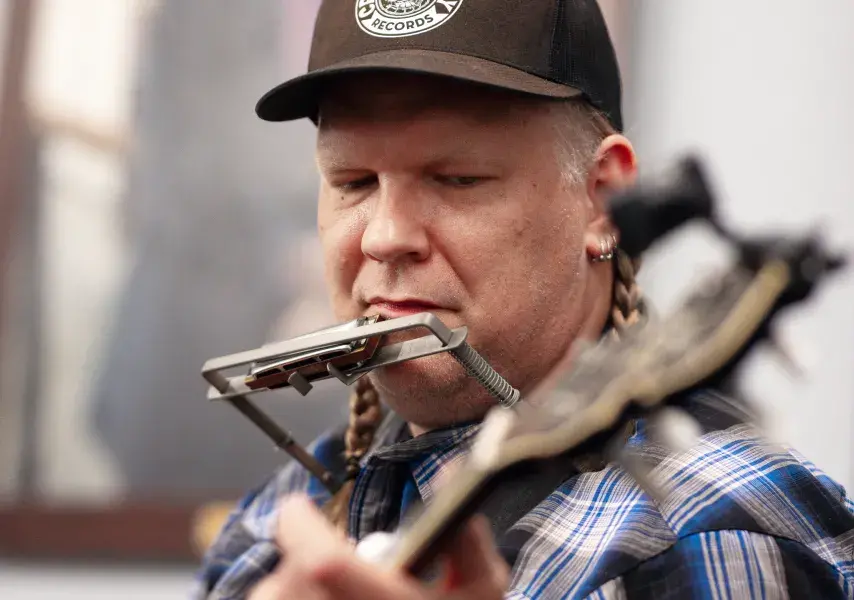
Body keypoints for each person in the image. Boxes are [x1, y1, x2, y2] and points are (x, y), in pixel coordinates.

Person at [193, 1, 854, 598]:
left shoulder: (709, 534)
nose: (385, 237)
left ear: (604, 199)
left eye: (457, 178)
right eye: (353, 181)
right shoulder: (272, 528)